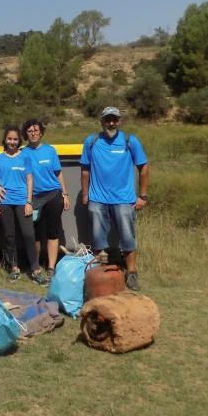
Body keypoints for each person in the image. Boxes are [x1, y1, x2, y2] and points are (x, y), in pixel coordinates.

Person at [80, 106, 150, 291]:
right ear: (101, 121)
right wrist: (85, 194)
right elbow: (85, 169)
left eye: (114, 119)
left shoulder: (129, 141)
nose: (111, 123)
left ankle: (132, 272)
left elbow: (143, 167)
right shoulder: (92, 141)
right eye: (107, 119)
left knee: (127, 236)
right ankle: (102, 272)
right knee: (98, 237)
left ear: (119, 121)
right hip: (97, 198)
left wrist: (142, 195)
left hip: (124, 199)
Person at [22, 118, 70, 284]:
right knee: (34, 234)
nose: (33, 133)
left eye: (36, 130)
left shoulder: (50, 151)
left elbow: (58, 173)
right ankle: (36, 266)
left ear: (41, 133)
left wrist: (65, 194)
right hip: (33, 198)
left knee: (52, 232)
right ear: (26, 134)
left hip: (53, 195)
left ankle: (51, 267)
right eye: (30, 131)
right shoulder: (22, 153)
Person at [0, 126, 37, 282]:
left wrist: (29, 202)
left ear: (19, 141)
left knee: (28, 235)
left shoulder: (25, 157)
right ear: (5, 140)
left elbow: (30, 180)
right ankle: (14, 267)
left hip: (22, 201)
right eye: (9, 139)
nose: (12, 142)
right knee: (9, 236)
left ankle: (35, 269)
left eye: (15, 139)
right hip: (5, 202)